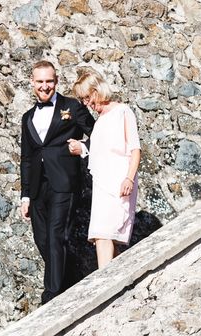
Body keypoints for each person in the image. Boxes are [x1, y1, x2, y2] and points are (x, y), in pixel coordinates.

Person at [20, 60, 95, 304]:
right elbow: (27, 158)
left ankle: (51, 296)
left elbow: (99, 134)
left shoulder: (71, 107)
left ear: (56, 81)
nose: (44, 86)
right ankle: (70, 280)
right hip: (38, 189)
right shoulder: (27, 117)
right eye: (40, 81)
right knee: (42, 240)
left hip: (64, 183)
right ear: (32, 82)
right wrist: (25, 195)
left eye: (49, 81)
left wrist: (83, 147)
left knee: (56, 235)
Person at [71, 68, 141, 269]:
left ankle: (105, 285)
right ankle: (122, 284)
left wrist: (129, 178)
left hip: (119, 181)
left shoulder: (122, 111)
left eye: (86, 97)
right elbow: (100, 151)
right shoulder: (100, 121)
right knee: (103, 236)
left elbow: (135, 149)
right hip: (102, 184)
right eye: (82, 99)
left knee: (103, 235)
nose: (86, 103)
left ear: (96, 90)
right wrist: (81, 148)